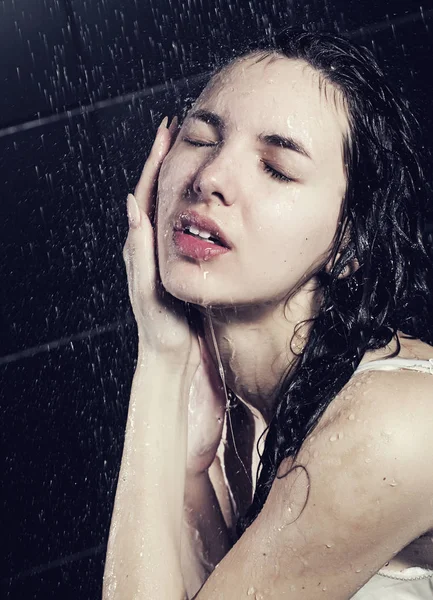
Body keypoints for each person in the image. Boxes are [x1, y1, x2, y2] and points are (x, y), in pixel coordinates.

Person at [102, 28, 433, 600]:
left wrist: (158, 358)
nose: (209, 180)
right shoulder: (237, 400)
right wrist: (189, 475)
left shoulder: (392, 425)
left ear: (349, 244)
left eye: (276, 168)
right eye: (201, 139)